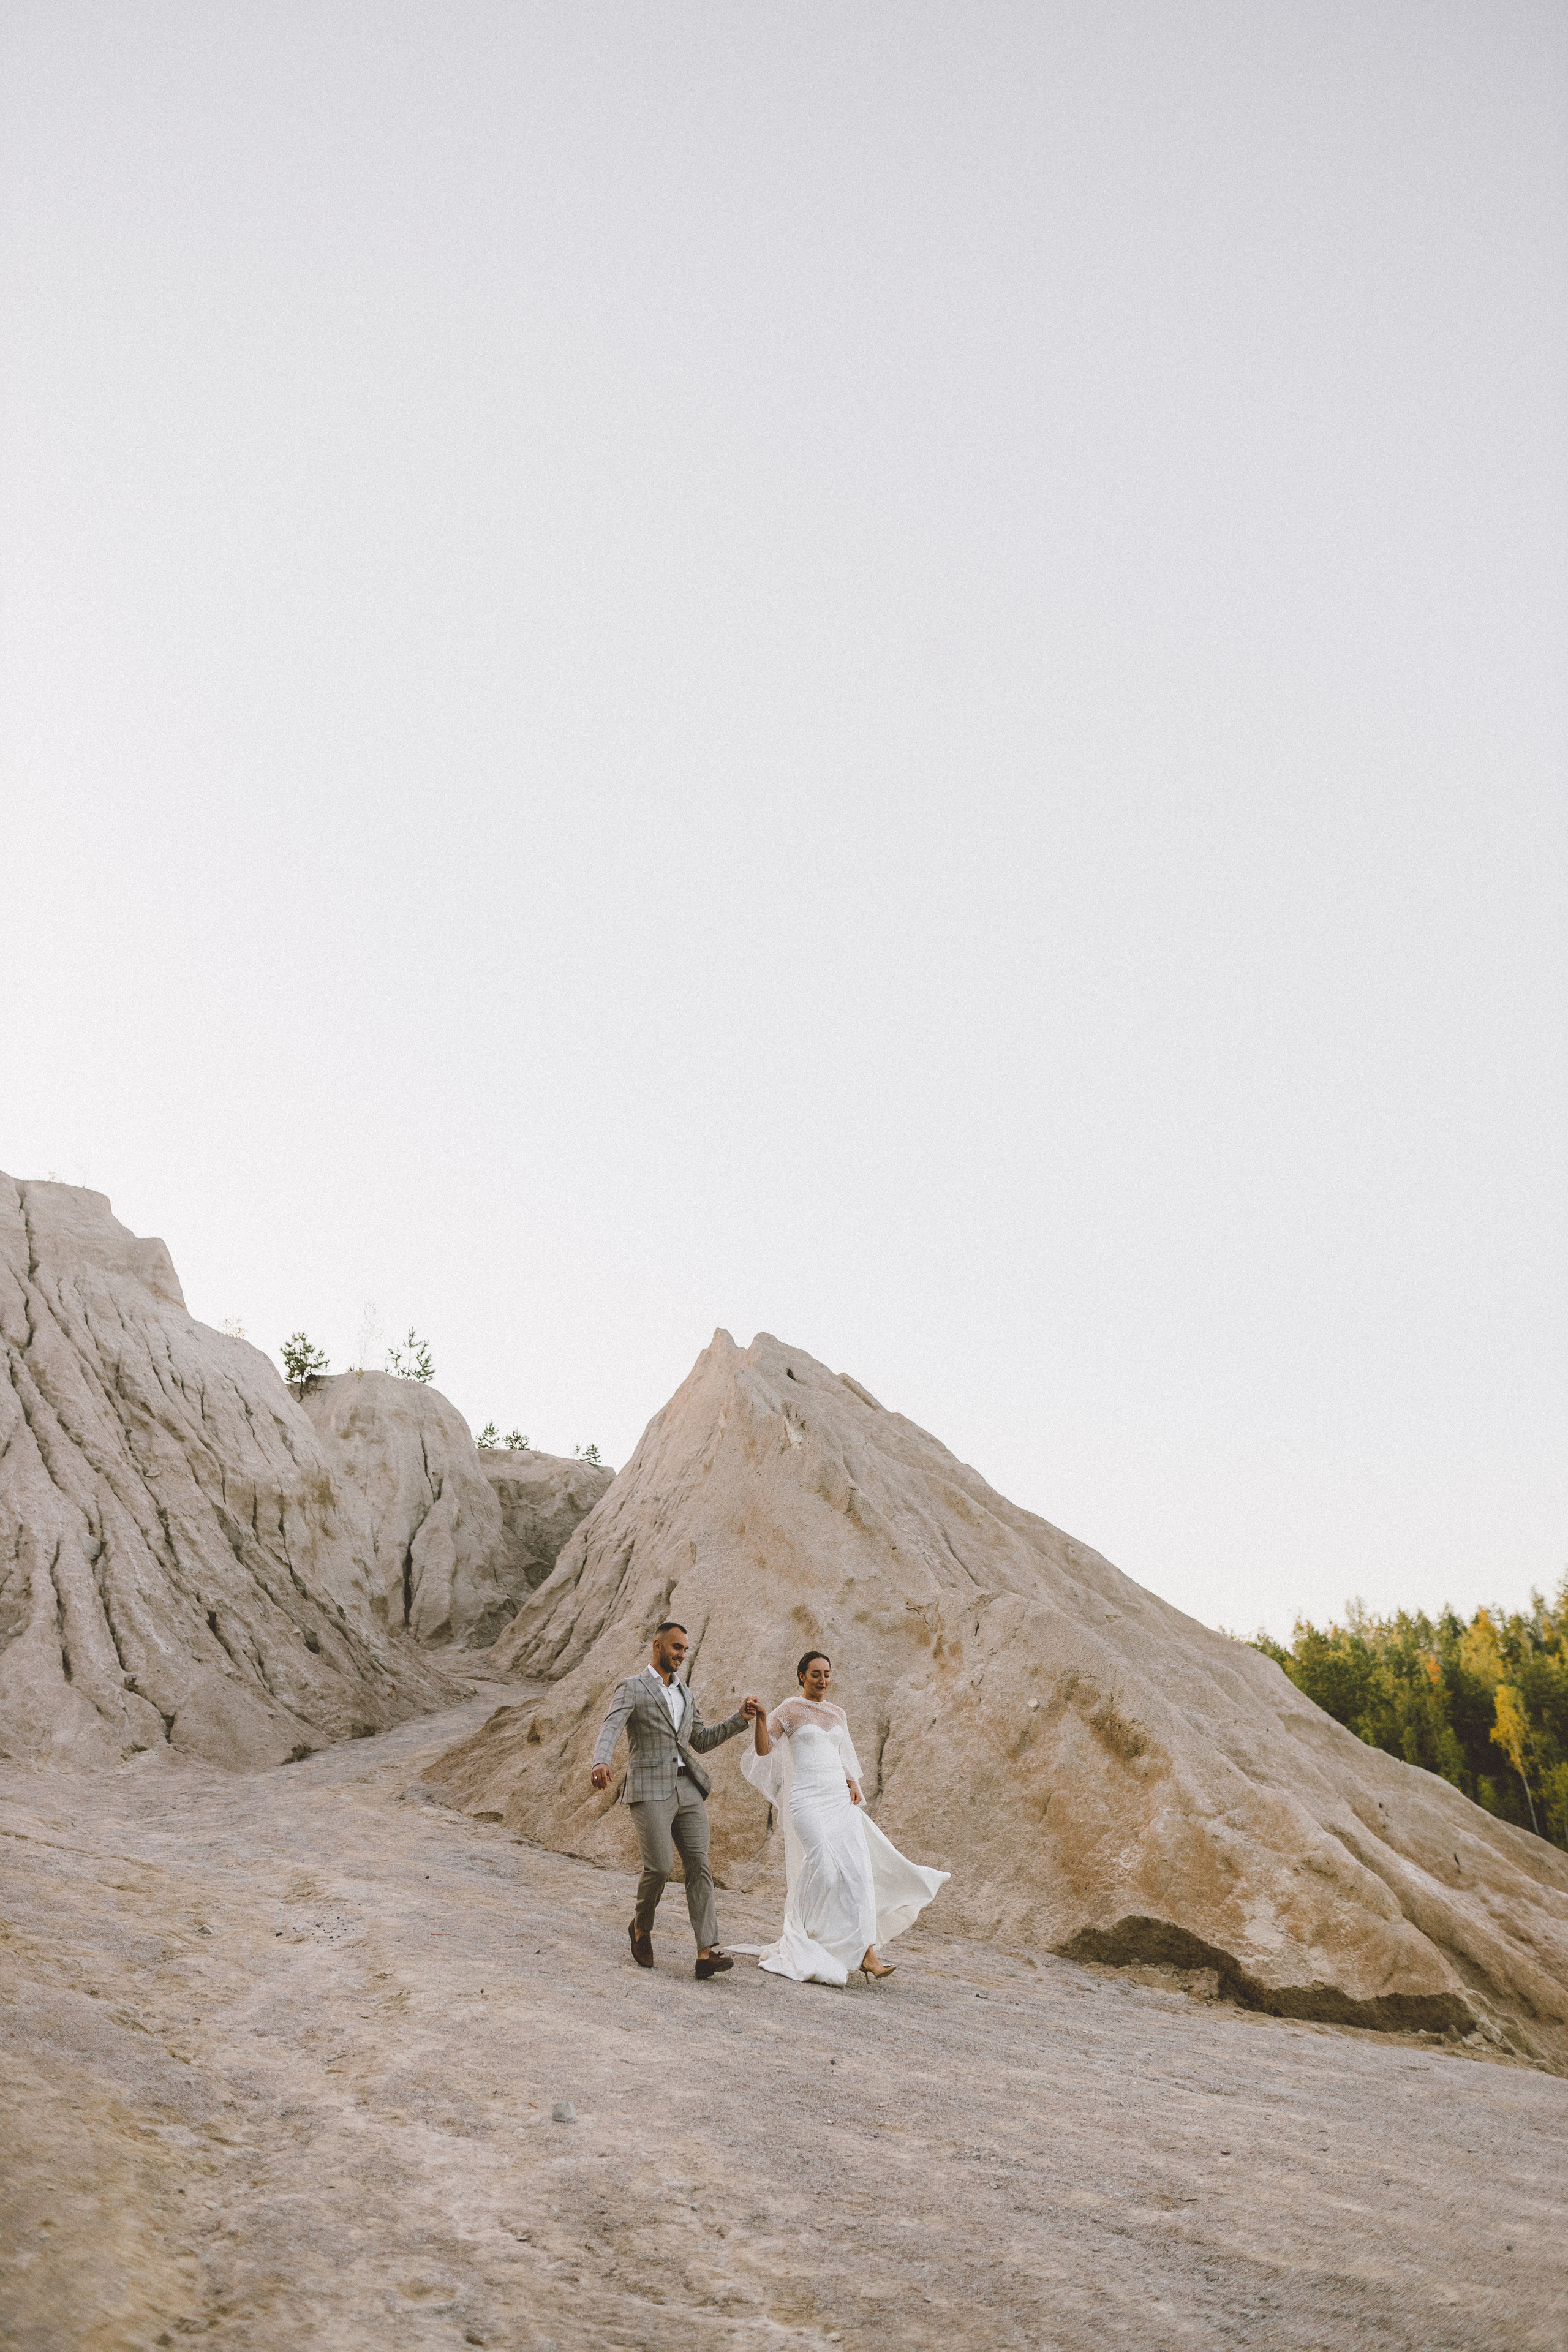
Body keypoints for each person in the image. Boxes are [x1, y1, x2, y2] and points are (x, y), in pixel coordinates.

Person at [740, 1649, 947, 1985]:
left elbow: (843, 1753)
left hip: (838, 1799)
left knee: (857, 1872)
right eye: (816, 1674)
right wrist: (763, 1718)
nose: (823, 1680)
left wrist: (853, 1782)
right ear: (802, 1677)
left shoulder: (838, 1714)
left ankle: (867, 1954)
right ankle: (805, 1935)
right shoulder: (790, 1709)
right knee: (822, 1863)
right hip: (806, 1800)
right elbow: (765, 1750)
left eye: (827, 1674)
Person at [589, 1621, 761, 1979]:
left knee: (700, 1866)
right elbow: (611, 1727)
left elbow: (700, 1741)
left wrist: (738, 1720)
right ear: (658, 1646)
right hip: (649, 1788)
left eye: (685, 1649)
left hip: (688, 1788)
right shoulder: (632, 1688)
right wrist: (601, 1760)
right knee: (662, 1867)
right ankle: (641, 1926)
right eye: (676, 1648)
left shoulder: (686, 1693)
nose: (682, 1655)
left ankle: (706, 1952)